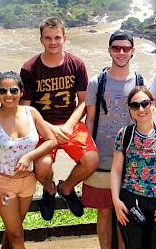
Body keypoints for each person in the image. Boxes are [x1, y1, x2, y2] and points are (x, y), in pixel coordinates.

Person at [20, 17, 99, 220]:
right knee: (42, 166)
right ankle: (49, 189)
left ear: (65, 38)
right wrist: (50, 129)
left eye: (57, 37)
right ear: (41, 40)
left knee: (91, 160)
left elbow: (83, 101)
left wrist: (69, 125)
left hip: (70, 123)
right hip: (42, 126)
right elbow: (25, 109)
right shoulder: (29, 69)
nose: (53, 42)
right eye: (48, 38)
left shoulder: (77, 64)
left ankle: (66, 188)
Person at [0, 72, 57, 249]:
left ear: (21, 92)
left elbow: (52, 140)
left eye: (13, 90)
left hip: (27, 182)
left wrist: (29, 156)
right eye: (3, 91)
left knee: (14, 231)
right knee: (17, 235)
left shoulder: (32, 113)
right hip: (2, 183)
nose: (8, 95)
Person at [84, 30, 141, 249]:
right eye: (116, 48)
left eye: (125, 48)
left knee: (124, 212)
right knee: (105, 211)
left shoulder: (138, 80)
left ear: (132, 51)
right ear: (109, 50)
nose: (121, 52)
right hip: (102, 157)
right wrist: (90, 153)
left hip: (129, 159)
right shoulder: (96, 82)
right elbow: (90, 120)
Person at [110, 86, 156, 249]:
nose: (141, 109)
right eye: (135, 105)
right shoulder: (124, 135)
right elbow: (116, 170)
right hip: (132, 201)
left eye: (145, 103)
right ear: (130, 109)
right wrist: (116, 201)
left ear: (153, 105)